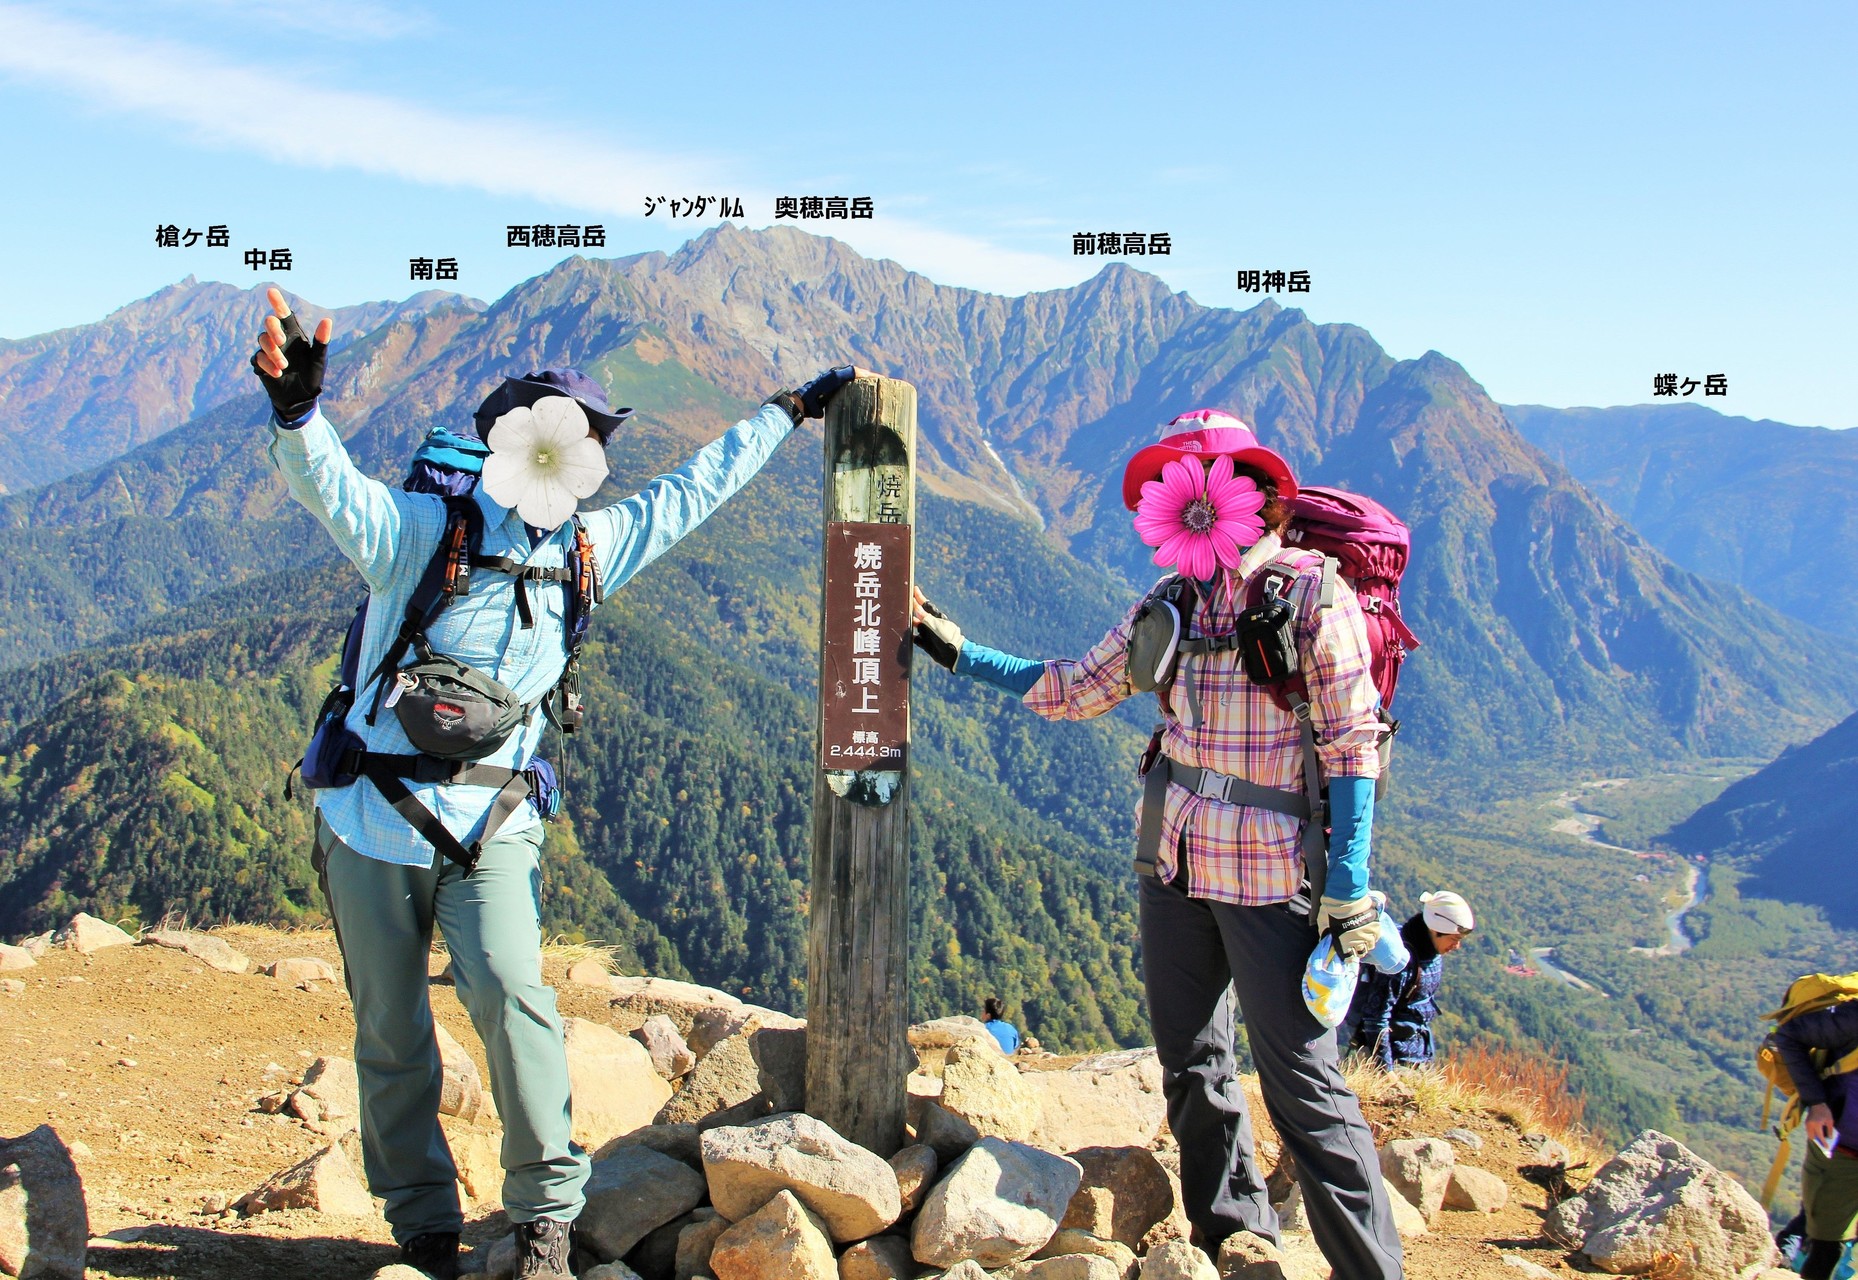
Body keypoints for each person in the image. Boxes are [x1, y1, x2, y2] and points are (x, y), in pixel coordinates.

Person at [251, 287, 855, 1280]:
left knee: (513, 998)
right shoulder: (420, 531)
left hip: (489, 817)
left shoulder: (585, 547)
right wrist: (298, 414)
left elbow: (694, 488)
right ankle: (423, 1226)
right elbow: (334, 492)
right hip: (372, 814)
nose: (578, 454)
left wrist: (783, 412)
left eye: (590, 440)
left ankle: (543, 1222)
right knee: (391, 1023)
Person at [912, 410, 1403, 1278]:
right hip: (1173, 865)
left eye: (1206, 485)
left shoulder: (1308, 597)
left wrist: (1350, 881)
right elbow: (1076, 686)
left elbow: (1352, 742)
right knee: (1192, 1066)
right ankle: (1235, 1241)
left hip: (1272, 877)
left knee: (1303, 1086)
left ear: (1249, 494)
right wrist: (955, 650)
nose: (1191, 507)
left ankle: (1372, 1269)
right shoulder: (1173, 601)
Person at [1771, 995, 1858, 1279]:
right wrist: (1817, 1103)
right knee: (1826, 1247)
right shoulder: (1853, 1018)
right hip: (1841, 1151)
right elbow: (1789, 1035)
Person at [1344, 890, 1474, 1069]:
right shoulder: (1398, 962)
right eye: (1454, 939)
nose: (1457, 946)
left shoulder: (1431, 953)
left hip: (1417, 1054)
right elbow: (1376, 1017)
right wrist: (1386, 1070)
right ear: (1436, 930)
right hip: (1395, 1060)